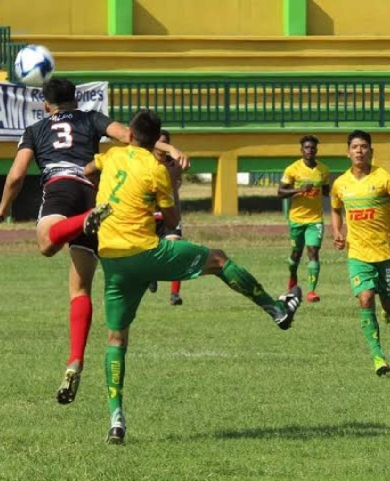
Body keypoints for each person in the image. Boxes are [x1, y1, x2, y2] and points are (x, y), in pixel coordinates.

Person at [84, 109, 302, 445]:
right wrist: (171, 179)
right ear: (156, 139)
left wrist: (105, 197)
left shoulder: (110, 156)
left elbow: (87, 170)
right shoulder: (156, 170)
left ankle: (116, 418)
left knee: (116, 338)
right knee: (218, 259)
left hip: (112, 259)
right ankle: (276, 310)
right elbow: (171, 221)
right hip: (147, 252)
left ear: (129, 134)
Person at [0, 78, 188, 405]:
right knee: (80, 288)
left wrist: (3, 207)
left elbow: (17, 174)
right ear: (75, 99)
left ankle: (82, 221)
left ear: (46, 104)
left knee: (46, 243)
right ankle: (74, 361)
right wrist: (168, 148)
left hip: (62, 189)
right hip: (91, 193)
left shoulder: (35, 129)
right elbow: (130, 136)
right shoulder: (90, 117)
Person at [330, 130, 390, 376]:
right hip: (357, 254)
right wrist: (336, 231)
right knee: (365, 298)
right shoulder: (340, 184)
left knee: (389, 303)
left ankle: (389, 310)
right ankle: (378, 357)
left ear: (371, 151)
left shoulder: (383, 177)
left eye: (364, 147)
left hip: (386, 254)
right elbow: (335, 208)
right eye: (355, 147)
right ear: (348, 152)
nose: (359, 151)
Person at [278, 135, 330, 303]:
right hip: (296, 219)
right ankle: (292, 277)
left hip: (315, 220)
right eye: (306, 148)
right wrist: (299, 190)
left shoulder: (323, 170)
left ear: (316, 150)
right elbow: (280, 192)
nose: (310, 150)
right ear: (301, 150)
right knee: (296, 255)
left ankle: (311, 292)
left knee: (313, 252)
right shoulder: (292, 169)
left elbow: (328, 191)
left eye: (313, 148)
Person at [147, 129, 185, 306]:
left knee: (175, 250)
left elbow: (177, 184)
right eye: (158, 143)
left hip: (170, 212)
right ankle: (151, 275)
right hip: (150, 215)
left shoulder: (174, 164)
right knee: (150, 251)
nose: (161, 148)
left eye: (165, 143)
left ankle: (174, 294)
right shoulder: (146, 164)